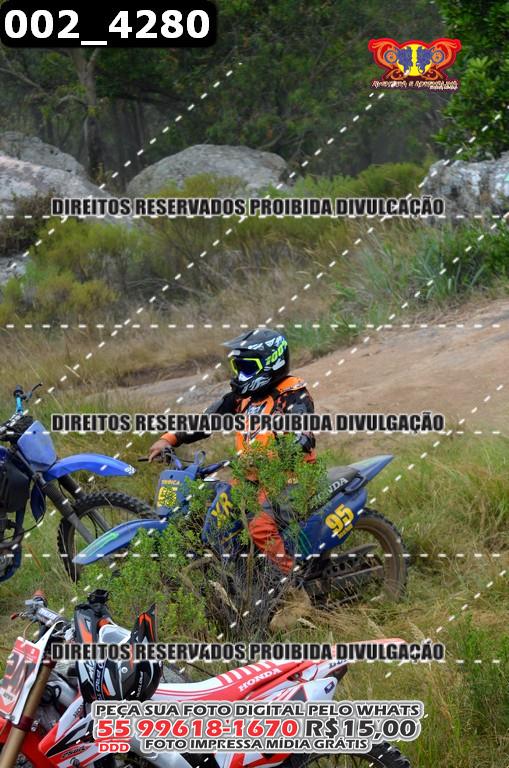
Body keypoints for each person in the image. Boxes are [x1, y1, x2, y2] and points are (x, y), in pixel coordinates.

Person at [148, 329, 316, 574]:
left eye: (248, 368)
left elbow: (303, 439)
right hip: (250, 480)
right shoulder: (242, 398)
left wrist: (268, 456)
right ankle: (235, 573)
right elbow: (206, 420)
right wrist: (169, 438)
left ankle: (290, 583)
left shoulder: (293, 396)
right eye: (239, 367)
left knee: (259, 527)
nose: (241, 375)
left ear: (272, 363)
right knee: (208, 516)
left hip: (290, 479)